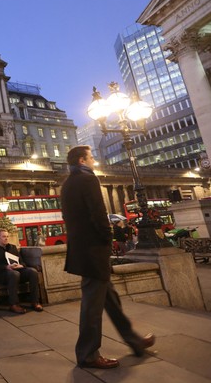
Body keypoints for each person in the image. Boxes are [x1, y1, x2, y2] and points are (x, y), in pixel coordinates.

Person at [61, 145, 155, 369]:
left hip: (84, 250)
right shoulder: (87, 179)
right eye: (91, 157)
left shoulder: (67, 184)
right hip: (94, 250)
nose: (94, 160)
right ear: (82, 160)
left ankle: (135, 341)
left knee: (110, 300)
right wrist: (108, 236)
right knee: (92, 307)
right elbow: (98, 213)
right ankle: (88, 354)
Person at [0, 229, 43, 314]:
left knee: (33, 272)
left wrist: (21, 265)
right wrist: (6, 267)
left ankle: (35, 301)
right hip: (3, 274)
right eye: (4, 236)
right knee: (14, 274)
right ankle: (14, 304)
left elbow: (22, 261)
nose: (6, 238)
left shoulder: (13, 247)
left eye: (7, 236)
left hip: (17, 271)